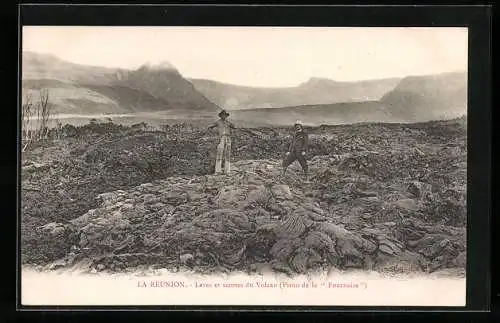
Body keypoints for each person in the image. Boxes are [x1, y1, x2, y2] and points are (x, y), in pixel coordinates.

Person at [208, 110, 236, 174]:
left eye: (225, 115)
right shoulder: (218, 122)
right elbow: (210, 126)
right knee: (219, 153)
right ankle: (218, 171)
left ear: (226, 116)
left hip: (228, 138)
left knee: (227, 154)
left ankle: (227, 170)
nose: (224, 116)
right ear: (220, 116)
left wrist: (232, 128)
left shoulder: (228, 123)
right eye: (222, 115)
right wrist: (214, 133)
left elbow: (235, 127)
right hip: (221, 138)